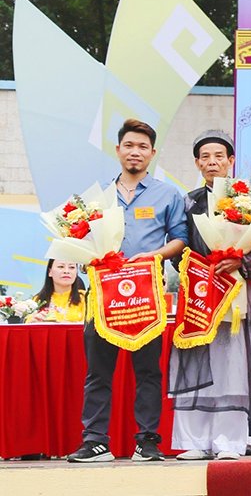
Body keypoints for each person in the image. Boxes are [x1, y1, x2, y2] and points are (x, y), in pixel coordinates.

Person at [68, 119, 187, 463]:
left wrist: (155, 254)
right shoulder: (97, 197)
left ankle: (147, 441)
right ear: (118, 149)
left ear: (152, 153)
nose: (135, 152)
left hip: (145, 296)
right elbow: (81, 237)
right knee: (98, 371)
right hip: (103, 297)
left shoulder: (168, 194)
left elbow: (180, 238)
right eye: (129, 145)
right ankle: (95, 441)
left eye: (143, 147)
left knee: (148, 370)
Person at [169, 130, 251, 461]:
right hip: (200, 293)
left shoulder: (249, 199)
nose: (212, 161)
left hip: (238, 292)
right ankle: (196, 441)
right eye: (205, 157)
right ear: (197, 163)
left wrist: (240, 260)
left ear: (231, 161)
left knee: (234, 364)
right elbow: (178, 242)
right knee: (199, 362)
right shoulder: (187, 201)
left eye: (219, 156)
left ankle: (231, 441)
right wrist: (196, 266)